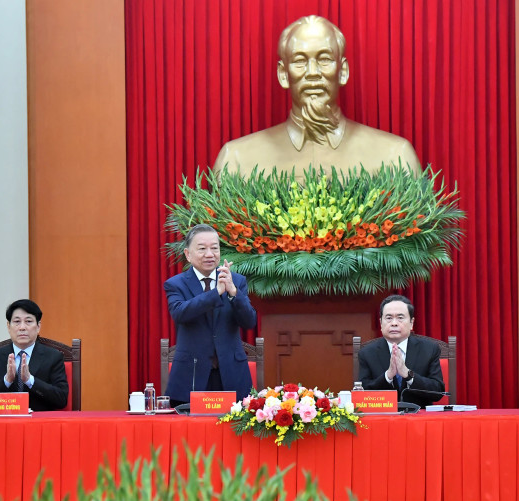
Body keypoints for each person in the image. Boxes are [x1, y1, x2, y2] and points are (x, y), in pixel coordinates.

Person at [213, 15, 422, 183]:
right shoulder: (236, 160)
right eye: (299, 61)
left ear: (343, 71)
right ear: (283, 74)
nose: (313, 72)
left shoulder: (395, 158)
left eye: (324, 59)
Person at [164, 224, 257, 405]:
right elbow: (180, 313)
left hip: (231, 375)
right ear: (187, 254)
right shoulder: (175, 284)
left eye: (214, 248)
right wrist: (216, 293)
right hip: (191, 375)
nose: (209, 254)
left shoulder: (236, 281)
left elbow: (249, 321)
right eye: (202, 249)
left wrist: (233, 292)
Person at [0, 299, 69, 411]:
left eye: (28, 321)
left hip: (39, 423)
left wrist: (30, 381)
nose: (22, 327)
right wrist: (7, 380)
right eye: (17, 322)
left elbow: (62, 399)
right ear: (8, 326)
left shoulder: (53, 357)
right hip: (4, 423)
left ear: (38, 326)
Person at [358, 295, 445, 407]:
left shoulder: (429, 349)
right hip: (382, 418)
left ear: (411, 323)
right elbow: (362, 393)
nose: (394, 323)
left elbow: (438, 391)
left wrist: (408, 375)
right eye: (389, 318)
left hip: (418, 418)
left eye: (400, 317)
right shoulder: (367, 353)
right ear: (380, 323)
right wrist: (387, 376)